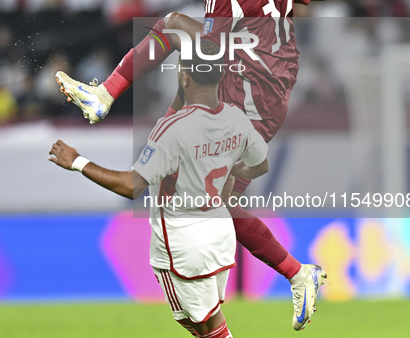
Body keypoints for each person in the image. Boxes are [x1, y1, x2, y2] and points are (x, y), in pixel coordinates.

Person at [55, 0, 329, 330]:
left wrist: (175, 113)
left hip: (244, 96)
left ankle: (103, 95)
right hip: (270, 98)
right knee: (222, 200)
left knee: (170, 27)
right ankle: (297, 273)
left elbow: (207, 63)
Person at [49, 41, 281, 337]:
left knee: (205, 327)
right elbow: (260, 166)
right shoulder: (236, 119)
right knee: (207, 327)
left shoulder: (172, 129)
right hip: (220, 238)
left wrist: (78, 162)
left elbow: (132, 186)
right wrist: (229, 174)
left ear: (184, 76)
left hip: (183, 244)